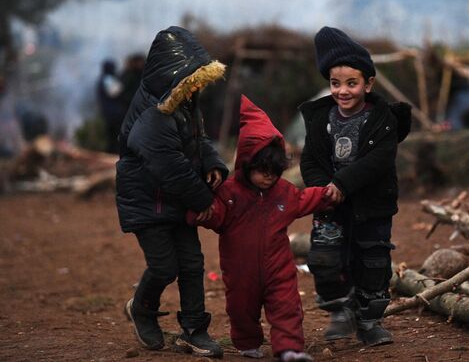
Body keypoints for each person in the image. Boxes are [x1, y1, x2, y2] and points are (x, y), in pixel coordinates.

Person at [188, 95, 331, 362]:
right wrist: (200, 213)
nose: (269, 176)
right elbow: (215, 216)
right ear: (246, 163)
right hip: (240, 271)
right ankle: (246, 342)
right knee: (241, 309)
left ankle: (289, 349)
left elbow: (304, 199)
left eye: (275, 171)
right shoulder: (229, 193)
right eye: (262, 170)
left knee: (287, 306)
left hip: (279, 267)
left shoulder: (283, 192)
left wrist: (328, 194)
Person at [116, 26, 229, 358]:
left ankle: (195, 330)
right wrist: (204, 201)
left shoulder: (184, 101)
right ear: (173, 75)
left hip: (177, 200)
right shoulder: (154, 116)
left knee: (193, 264)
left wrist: (213, 163)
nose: (198, 85)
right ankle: (142, 309)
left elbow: (199, 140)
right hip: (148, 203)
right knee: (165, 266)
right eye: (192, 78)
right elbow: (169, 167)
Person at [299, 26, 411, 346]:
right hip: (330, 206)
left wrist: (343, 183)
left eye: (351, 83)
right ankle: (340, 312)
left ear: (368, 83)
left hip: (371, 206)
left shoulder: (383, 119)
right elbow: (310, 161)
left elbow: (379, 160)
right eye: (335, 83)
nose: (342, 91)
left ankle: (369, 321)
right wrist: (323, 189)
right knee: (325, 258)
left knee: (372, 261)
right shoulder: (321, 119)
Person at [97, 59, 126, 154]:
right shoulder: (107, 79)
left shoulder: (104, 78)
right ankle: (112, 153)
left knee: (112, 134)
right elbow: (115, 92)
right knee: (114, 134)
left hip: (109, 112)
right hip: (113, 112)